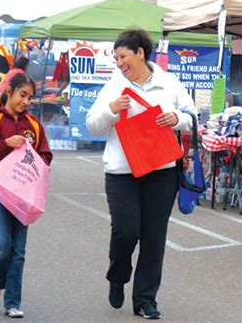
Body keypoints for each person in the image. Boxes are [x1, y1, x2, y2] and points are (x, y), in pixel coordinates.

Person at [86, 29, 197, 319]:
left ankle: (146, 299)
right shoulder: (113, 86)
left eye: (123, 56)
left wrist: (177, 119)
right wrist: (111, 110)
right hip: (122, 172)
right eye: (116, 58)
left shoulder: (168, 82)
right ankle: (117, 275)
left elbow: (192, 115)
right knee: (126, 230)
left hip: (161, 170)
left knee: (154, 236)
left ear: (140, 53)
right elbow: (92, 125)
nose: (119, 63)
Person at [0, 73, 52, 318]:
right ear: (9, 92)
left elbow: (46, 156)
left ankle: (13, 302)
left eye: (30, 97)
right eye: (23, 95)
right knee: (2, 245)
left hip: (24, 197)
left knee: (18, 250)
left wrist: (35, 160)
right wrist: (6, 144)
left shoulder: (34, 125)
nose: (27, 101)